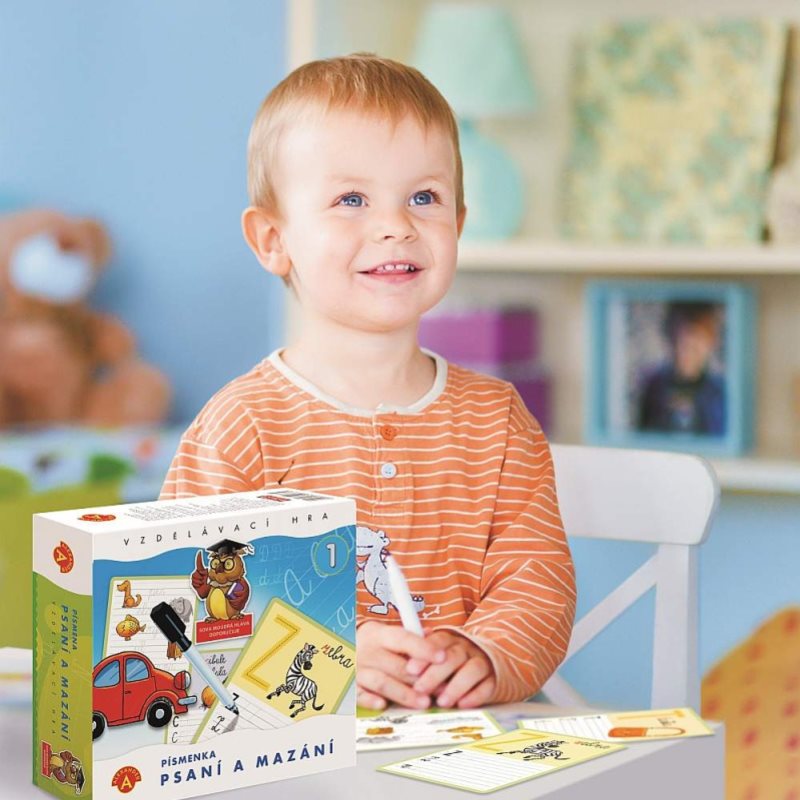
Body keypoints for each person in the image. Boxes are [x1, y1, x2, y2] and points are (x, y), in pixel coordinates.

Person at [160, 54, 576, 712]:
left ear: (458, 224)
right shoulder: (242, 425)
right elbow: (184, 606)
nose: (396, 226)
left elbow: (537, 580)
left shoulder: (498, 419)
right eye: (351, 200)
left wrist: (484, 654)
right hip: (292, 751)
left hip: (462, 741)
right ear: (273, 240)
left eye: (424, 198)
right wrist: (332, 659)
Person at [638, 301, 725, 435]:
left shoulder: (722, 393)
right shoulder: (653, 387)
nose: (685, 349)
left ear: (710, 341)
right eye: (679, 337)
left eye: (696, 340)